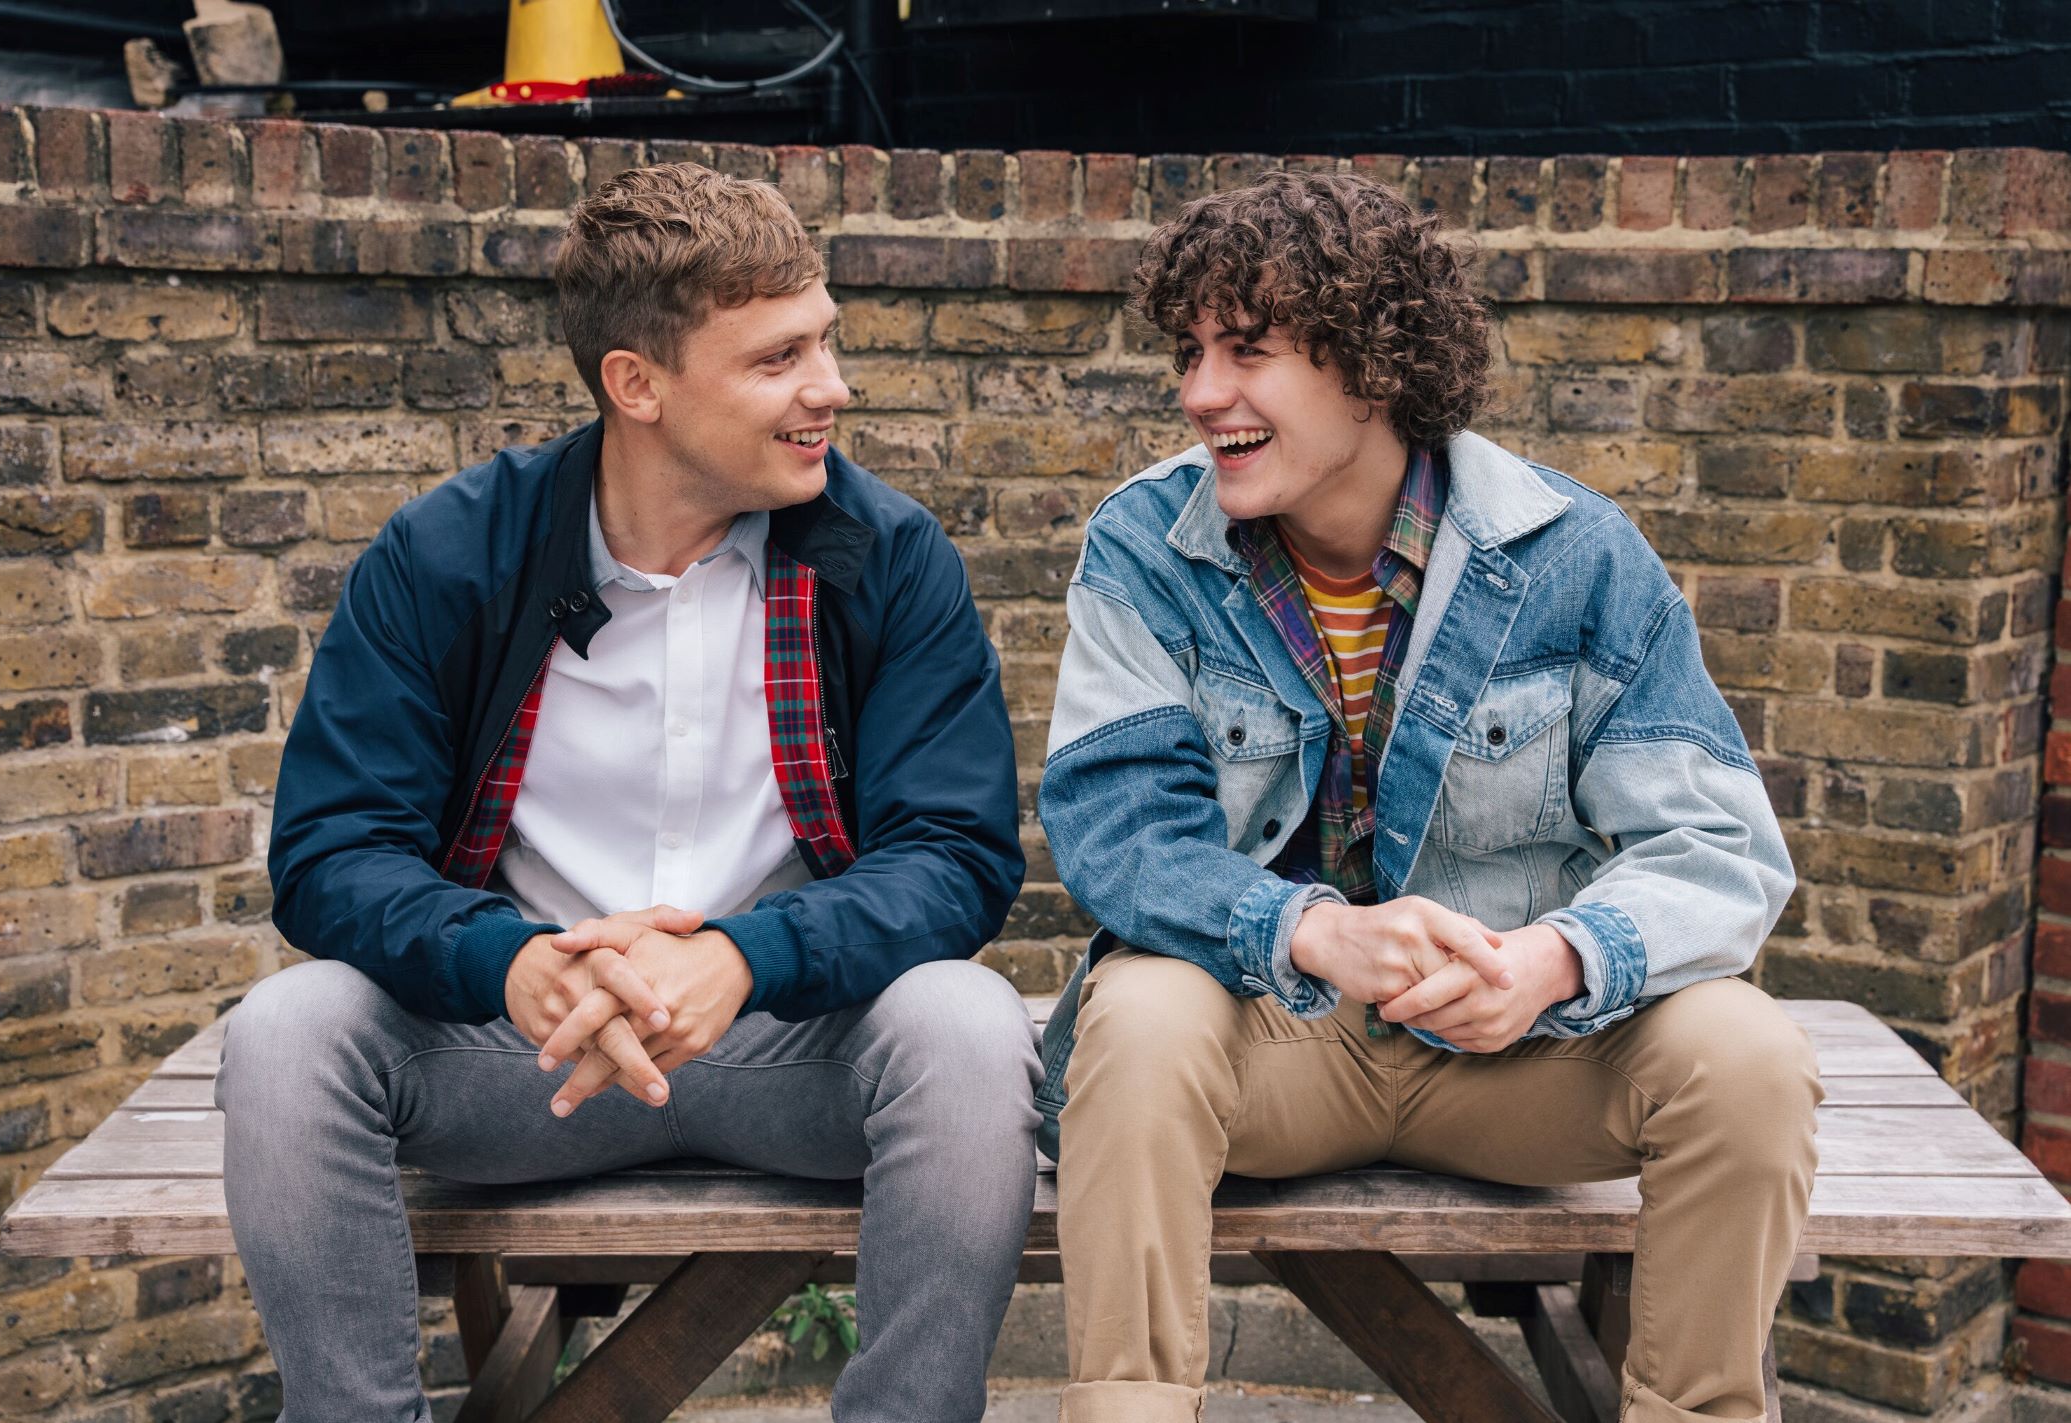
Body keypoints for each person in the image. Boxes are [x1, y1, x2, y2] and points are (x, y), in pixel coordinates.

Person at [218, 162, 1039, 1423]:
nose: (831, 387)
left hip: (788, 1046)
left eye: (825, 340)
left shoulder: (883, 554)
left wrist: (746, 955)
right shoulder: (450, 553)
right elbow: (333, 849)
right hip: (527, 1055)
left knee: (970, 1029)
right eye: (777, 359)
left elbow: (954, 853)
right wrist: (511, 961)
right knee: (285, 1033)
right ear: (636, 385)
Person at [1036, 169, 1819, 1423]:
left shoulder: (1573, 556)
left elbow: (1718, 844)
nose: (1197, 394)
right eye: (1187, 353)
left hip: (1520, 1060)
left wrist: (1556, 962)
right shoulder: (1145, 546)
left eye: (1245, 351)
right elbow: (1119, 833)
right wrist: (1315, 931)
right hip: (1268, 1049)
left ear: (1372, 362)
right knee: (1137, 1015)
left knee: (1747, 1056)